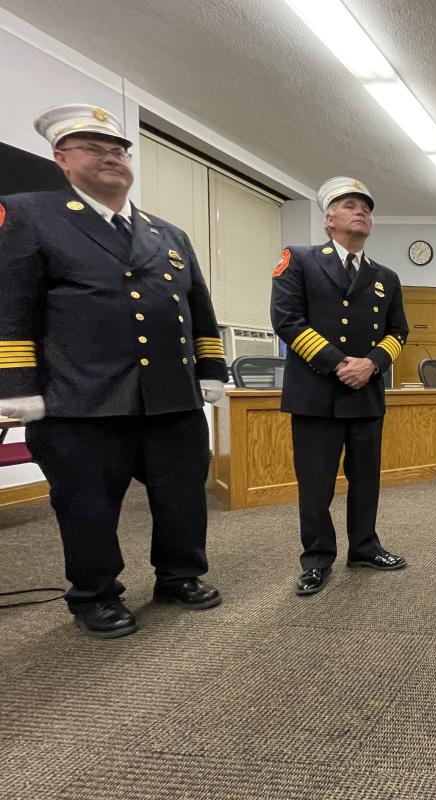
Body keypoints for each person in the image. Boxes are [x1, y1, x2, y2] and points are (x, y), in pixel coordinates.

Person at [0, 104, 228, 638]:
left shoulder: (167, 233)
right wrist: (16, 389)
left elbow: (200, 307)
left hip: (170, 396)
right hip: (81, 398)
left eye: (118, 149)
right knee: (87, 505)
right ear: (61, 158)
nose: (110, 157)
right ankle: (95, 594)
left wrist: (210, 369)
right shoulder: (29, 214)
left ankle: (179, 574)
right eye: (92, 148)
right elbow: (11, 306)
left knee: (181, 496)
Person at [270, 177, 409, 596]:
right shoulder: (299, 259)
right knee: (316, 484)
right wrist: (338, 363)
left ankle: (364, 546)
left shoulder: (385, 276)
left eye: (366, 206)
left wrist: (371, 363)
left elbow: (398, 331)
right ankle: (316, 558)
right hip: (316, 393)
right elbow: (287, 320)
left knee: (366, 480)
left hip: (365, 392)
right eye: (350, 205)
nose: (361, 211)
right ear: (329, 219)